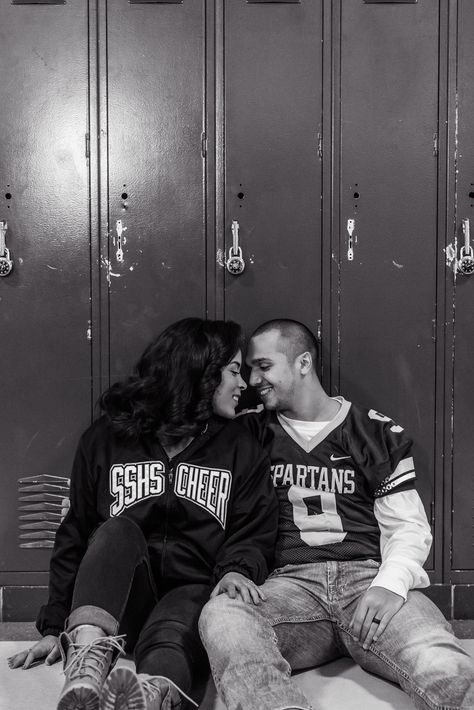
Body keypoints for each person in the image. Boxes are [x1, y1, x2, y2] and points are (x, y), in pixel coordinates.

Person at [199, 319, 474, 710]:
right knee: (223, 613)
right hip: (289, 587)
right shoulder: (251, 433)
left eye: (263, 366)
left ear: (303, 363)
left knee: (442, 663)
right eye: (247, 370)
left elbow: (409, 527)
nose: (252, 379)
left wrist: (390, 584)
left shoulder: (373, 431)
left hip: (368, 581)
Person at [8, 317, 278, 710]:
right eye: (235, 371)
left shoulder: (240, 447)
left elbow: (254, 530)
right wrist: (54, 626)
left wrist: (238, 567)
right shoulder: (106, 439)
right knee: (116, 531)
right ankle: (85, 669)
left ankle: (155, 696)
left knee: (178, 624)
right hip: (118, 604)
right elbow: (76, 531)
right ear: (201, 370)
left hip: (192, 596)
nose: (243, 385)